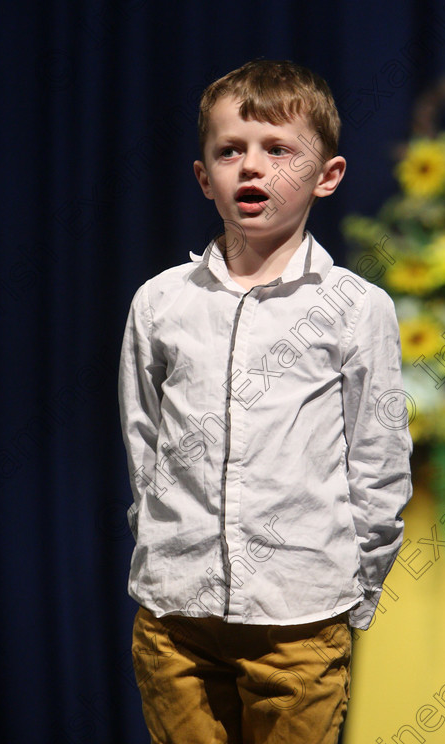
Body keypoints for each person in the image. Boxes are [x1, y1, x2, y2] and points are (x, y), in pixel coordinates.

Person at [118, 59, 413, 744]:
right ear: (204, 177)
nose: (252, 168)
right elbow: (144, 445)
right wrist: (162, 551)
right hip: (176, 622)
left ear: (326, 176)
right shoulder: (162, 303)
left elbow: (378, 461)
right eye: (230, 151)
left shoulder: (354, 308)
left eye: (279, 150)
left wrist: (349, 595)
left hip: (301, 621)